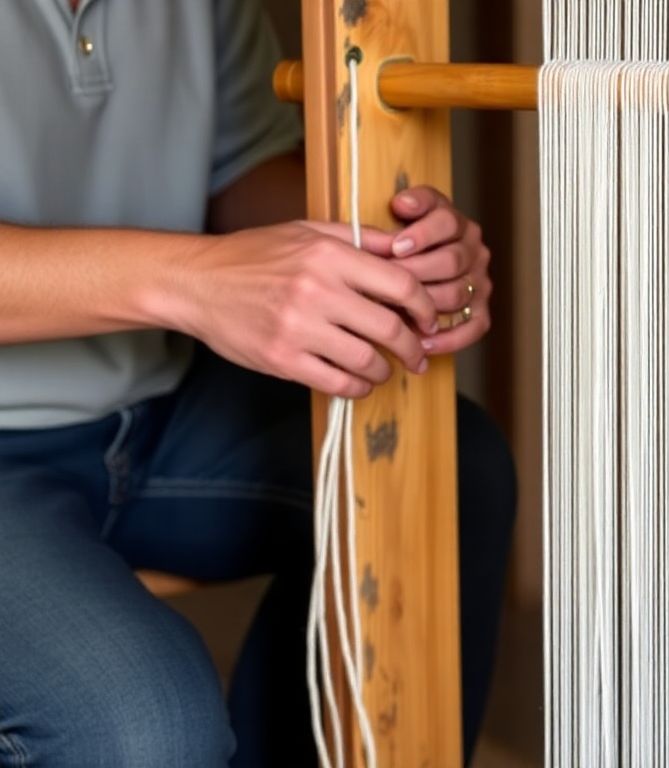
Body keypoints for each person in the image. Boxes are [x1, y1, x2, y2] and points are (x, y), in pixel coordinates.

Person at [0, 1, 517, 766]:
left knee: (446, 471)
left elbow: (239, 172)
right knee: (144, 730)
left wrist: (393, 256)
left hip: (156, 408)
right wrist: (195, 281)